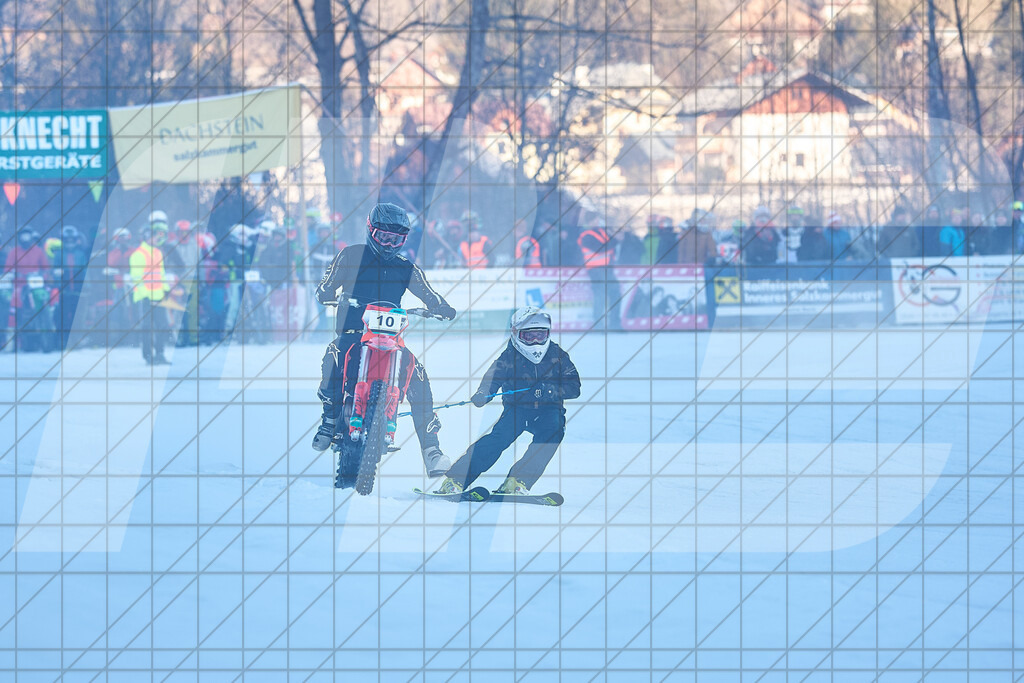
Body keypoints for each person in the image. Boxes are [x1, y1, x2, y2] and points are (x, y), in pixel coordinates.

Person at [311, 202, 458, 478]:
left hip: (391, 342)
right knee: (332, 357)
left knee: (419, 378)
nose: (390, 245)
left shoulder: (406, 268)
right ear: (371, 231)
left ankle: (432, 450)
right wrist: (328, 294)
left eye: (397, 240)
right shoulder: (350, 255)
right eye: (384, 238)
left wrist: (441, 307)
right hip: (354, 334)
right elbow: (326, 286)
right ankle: (329, 419)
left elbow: (429, 294)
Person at [436, 306, 580, 496]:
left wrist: (549, 390)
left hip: (549, 410)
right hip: (517, 410)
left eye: (541, 335)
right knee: (497, 440)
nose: (536, 341)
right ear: (516, 334)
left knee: (553, 432)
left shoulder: (557, 355)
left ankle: (517, 481)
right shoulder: (509, 357)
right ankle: (455, 480)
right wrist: (483, 393)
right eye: (530, 336)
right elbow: (493, 378)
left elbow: (574, 387)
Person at [129, 219, 172, 364]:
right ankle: (148, 356)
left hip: (159, 295)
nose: (157, 238)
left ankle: (160, 354)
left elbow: (162, 273)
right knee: (147, 327)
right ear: (147, 236)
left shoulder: (158, 253)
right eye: (154, 235)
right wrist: (145, 296)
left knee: (163, 326)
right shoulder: (137, 254)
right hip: (144, 297)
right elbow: (136, 278)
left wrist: (166, 289)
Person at [577, 222, 622, 330]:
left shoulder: (602, 233)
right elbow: (601, 248)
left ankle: (614, 324)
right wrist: (616, 240)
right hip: (596, 270)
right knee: (600, 296)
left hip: (607, 270)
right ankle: (598, 325)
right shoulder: (586, 236)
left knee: (615, 295)